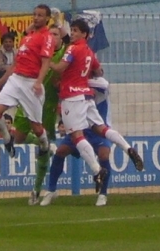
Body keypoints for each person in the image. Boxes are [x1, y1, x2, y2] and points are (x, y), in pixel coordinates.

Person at [49, 19, 143, 194]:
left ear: (84, 34)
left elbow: (59, 68)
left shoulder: (72, 49)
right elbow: (99, 71)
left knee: (76, 135)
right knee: (101, 127)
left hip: (72, 96)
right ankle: (128, 148)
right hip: (86, 95)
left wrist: (47, 61)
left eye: (76, 31)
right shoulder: (89, 52)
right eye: (73, 30)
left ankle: (96, 170)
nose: (73, 34)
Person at [0, 4, 55, 157]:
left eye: (40, 15)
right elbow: (15, 65)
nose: (36, 18)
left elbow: (46, 62)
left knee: (37, 128)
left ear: (47, 18)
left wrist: (39, 82)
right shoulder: (27, 38)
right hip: (16, 79)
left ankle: (45, 145)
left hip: (31, 84)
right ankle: (7, 139)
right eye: (34, 14)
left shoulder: (47, 38)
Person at [41, 77, 114, 207]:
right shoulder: (72, 87)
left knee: (104, 155)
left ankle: (103, 194)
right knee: (60, 151)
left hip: (98, 130)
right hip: (79, 129)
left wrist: (78, 82)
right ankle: (51, 191)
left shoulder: (100, 84)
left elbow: (105, 85)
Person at [14, 24, 66, 205]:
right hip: (29, 98)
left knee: (43, 156)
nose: (51, 36)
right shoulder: (38, 50)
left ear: (61, 38)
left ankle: (36, 190)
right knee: (17, 137)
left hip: (48, 107)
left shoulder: (63, 56)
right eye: (49, 33)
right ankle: (43, 143)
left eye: (56, 34)